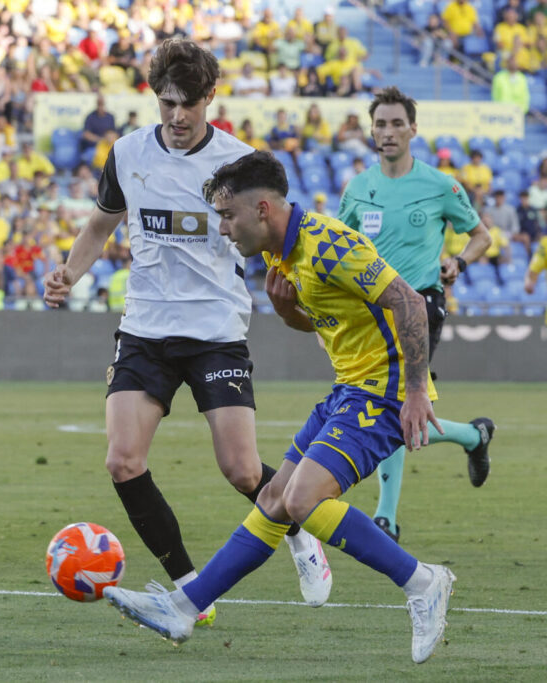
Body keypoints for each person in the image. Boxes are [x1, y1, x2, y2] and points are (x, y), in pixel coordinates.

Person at [103, 151, 456, 665]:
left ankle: (424, 582)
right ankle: (184, 608)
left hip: (385, 390)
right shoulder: (276, 253)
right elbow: (321, 321)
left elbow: (408, 302)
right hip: (349, 388)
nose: (222, 229)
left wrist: (418, 390)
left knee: (303, 501)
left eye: (227, 216)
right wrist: (289, 310)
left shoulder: (332, 245)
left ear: (263, 208)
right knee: (273, 497)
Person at [42, 39, 332, 627]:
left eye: (189, 104)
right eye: (166, 102)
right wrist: (70, 272)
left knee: (243, 472)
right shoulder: (126, 153)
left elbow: (275, 237)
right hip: (145, 327)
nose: (176, 116)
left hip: (216, 329)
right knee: (122, 461)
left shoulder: (239, 161)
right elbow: (101, 223)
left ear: (210, 99)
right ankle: (189, 589)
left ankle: (301, 534)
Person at [337, 88, 494, 542]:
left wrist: (459, 262)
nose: (387, 132)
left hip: (422, 303)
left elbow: (481, 235)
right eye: (380, 124)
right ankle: (472, 436)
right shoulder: (357, 188)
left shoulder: (441, 185)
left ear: (412, 130)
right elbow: (341, 246)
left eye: (395, 124)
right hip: (370, 310)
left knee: (397, 401)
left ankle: (385, 517)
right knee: (398, 408)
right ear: (372, 130)